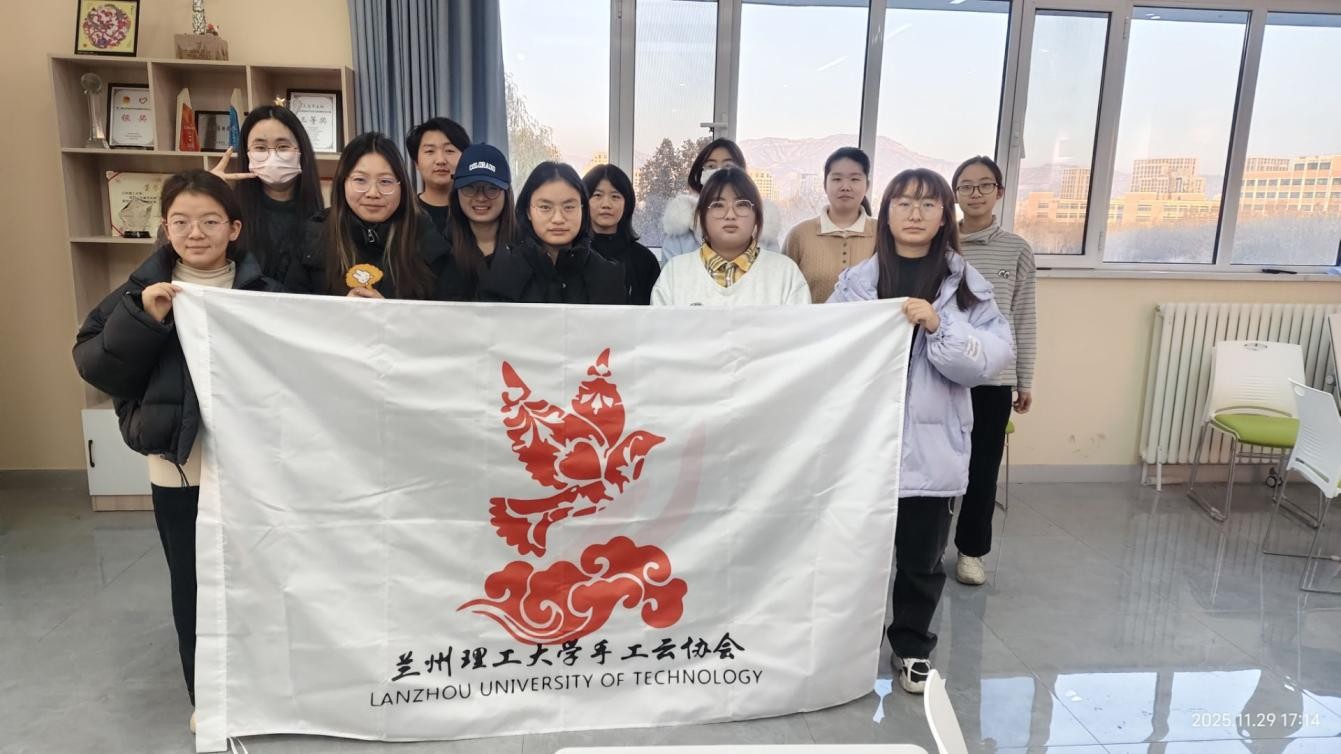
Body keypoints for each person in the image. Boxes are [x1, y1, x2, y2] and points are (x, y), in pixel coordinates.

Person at [71, 170, 284, 732]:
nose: (196, 233)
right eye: (182, 221)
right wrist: (145, 318)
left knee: (261, 574)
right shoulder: (140, 292)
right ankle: (207, 695)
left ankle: (265, 686)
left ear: (234, 228)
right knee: (192, 581)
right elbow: (95, 364)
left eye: (210, 221)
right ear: (165, 228)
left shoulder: (265, 294)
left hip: (252, 467)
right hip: (178, 465)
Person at [827, 168, 1013, 695]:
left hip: (933, 447)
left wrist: (939, 325)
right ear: (885, 213)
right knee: (853, 556)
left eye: (928, 204)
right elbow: (831, 352)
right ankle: (845, 651)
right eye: (904, 202)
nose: (915, 213)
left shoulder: (967, 287)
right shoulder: (856, 283)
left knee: (921, 559)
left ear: (944, 216)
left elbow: (989, 359)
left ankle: (912, 648)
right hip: (866, 445)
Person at [949, 155, 1038, 587]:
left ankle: (971, 551)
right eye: (966, 186)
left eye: (985, 185)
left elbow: (1023, 314)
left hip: (993, 379)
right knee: (936, 463)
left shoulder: (1017, 249)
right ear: (955, 194)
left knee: (983, 469)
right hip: (944, 373)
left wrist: (1025, 378)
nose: (976, 193)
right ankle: (927, 544)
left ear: (999, 192)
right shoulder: (942, 243)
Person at [289, 132, 463, 301]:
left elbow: (446, 313)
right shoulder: (315, 235)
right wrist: (341, 312)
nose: (373, 193)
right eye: (360, 180)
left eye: (385, 181)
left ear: (402, 186)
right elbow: (292, 310)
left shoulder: (426, 238)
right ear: (343, 182)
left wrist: (386, 313)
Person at [652, 167, 809, 306]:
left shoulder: (785, 273)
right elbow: (660, 329)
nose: (730, 215)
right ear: (701, 216)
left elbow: (800, 329)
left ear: (757, 215)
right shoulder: (674, 273)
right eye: (718, 205)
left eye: (742, 204)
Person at [478, 161, 626, 304]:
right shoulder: (501, 271)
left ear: (583, 209)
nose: (558, 219)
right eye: (545, 207)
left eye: (569, 207)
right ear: (528, 211)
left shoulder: (608, 275)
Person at [209, 105, 324, 283]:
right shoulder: (230, 212)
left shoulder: (322, 219)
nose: (272, 157)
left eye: (283, 146)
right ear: (247, 154)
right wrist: (206, 196)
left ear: (301, 151)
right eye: (260, 148)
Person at [660, 138, 780, 264]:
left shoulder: (765, 232)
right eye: (711, 166)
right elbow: (671, 273)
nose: (720, 172)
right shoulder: (680, 233)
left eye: (728, 166)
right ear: (700, 175)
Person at [783, 147, 877, 302]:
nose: (845, 186)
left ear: (867, 185)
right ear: (825, 185)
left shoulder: (882, 234)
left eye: (854, 179)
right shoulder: (800, 235)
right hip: (810, 318)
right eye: (837, 179)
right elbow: (782, 289)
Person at [584, 163, 660, 305]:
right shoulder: (573, 255)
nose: (606, 204)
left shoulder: (644, 260)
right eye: (597, 195)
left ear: (627, 203)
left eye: (615, 196)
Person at [449, 143, 516, 300]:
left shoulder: (528, 251)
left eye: (492, 188)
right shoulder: (441, 251)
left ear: (506, 193)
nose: (480, 197)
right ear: (457, 193)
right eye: (469, 188)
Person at [405, 116, 471, 235]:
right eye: (430, 151)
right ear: (416, 163)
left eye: (449, 150)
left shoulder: (476, 210)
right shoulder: (405, 214)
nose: (441, 160)